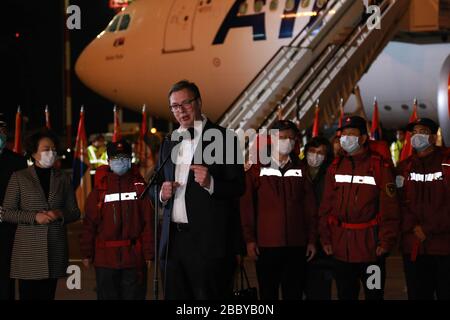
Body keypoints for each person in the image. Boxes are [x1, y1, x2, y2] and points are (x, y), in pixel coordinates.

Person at [156, 80, 245, 300]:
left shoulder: (225, 138)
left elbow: (238, 186)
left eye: (186, 103)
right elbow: (155, 183)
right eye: (175, 106)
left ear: (199, 102)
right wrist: (161, 193)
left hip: (209, 244)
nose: (181, 110)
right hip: (173, 244)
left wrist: (211, 183)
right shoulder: (169, 141)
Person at [319, 116, 400, 300]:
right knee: (345, 295)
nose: (346, 138)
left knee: (375, 295)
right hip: (341, 251)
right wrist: (325, 239)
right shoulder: (335, 167)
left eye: (352, 134)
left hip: (372, 251)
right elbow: (326, 207)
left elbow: (390, 208)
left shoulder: (380, 166)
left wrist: (385, 242)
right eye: (344, 134)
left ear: (363, 138)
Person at [240, 120, 317, 300]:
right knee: (268, 294)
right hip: (266, 246)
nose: (287, 141)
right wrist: (249, 240)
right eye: (282, 137)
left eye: (291, 138)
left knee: (294, 294)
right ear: (272, 139)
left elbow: (310, 207)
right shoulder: (256, 167)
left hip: (296, 246)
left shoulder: (301, 168)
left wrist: (312, 239)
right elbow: (247, 207)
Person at [0, 128, 80, 300]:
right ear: (34, 153)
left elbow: (74, 212)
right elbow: (6, 212)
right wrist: (34, 217)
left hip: (54, 250)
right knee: (28, 295)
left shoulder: (63, 178)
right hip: (28, 252)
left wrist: (60, 213)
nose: (51, 153)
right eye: (46, 149)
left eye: (53, 149)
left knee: (48, 295)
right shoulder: (19, 177)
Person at [80, 140, 154, 300]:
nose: (120, 161)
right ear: (108, 161)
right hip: (105, 261)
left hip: (134, 261)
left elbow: (148, 222)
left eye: (124, 157)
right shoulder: (99, 190)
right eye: (116, 157)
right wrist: (86, 253)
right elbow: (89, 225)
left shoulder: (140, 187)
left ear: (130, 160)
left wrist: (149, 254)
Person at [396, 118, 450, 300]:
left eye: (423, 131)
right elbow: (399, 202)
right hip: (414, 247)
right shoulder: (404, 167)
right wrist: (414, 227)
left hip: (444, 246)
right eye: (415, 132)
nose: (417, 135)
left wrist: (427, 228)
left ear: (434, 138)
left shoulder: (447, 163)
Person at [302, 136, 335, 300]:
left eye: (321, 153)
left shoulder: (330, 175)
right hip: (301, 239)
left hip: (322, 243)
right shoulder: (298, 172)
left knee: (320, 290)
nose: (316, 156)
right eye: (313, 151)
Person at [0, 115, 28, 300]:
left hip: (8, 229)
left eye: (1, 131)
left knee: (5, 280)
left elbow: (25, 196)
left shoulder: (17, 162)